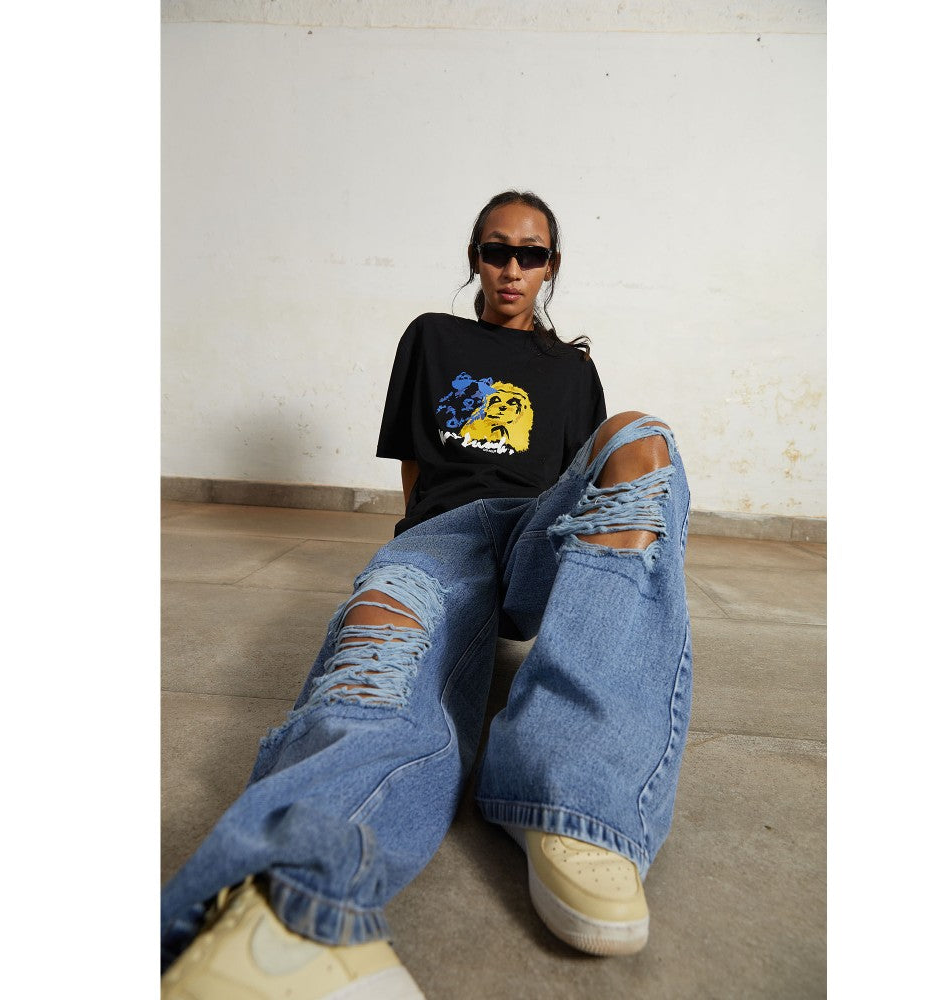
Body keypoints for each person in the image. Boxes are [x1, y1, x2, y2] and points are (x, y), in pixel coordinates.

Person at [160, 190, 693, 999]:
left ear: (552, 267)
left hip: (534, 533)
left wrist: (561, 576)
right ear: (475, 256)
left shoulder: (573, 369)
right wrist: (416, 547)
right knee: (383, 622)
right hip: (447, 528)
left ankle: (578, 798)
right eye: (496, 249)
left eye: (531, 254)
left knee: (640, 438)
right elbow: (416, 463)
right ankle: (294, 897)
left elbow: (574, 487)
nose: (511, 268)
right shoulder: (432, 337)